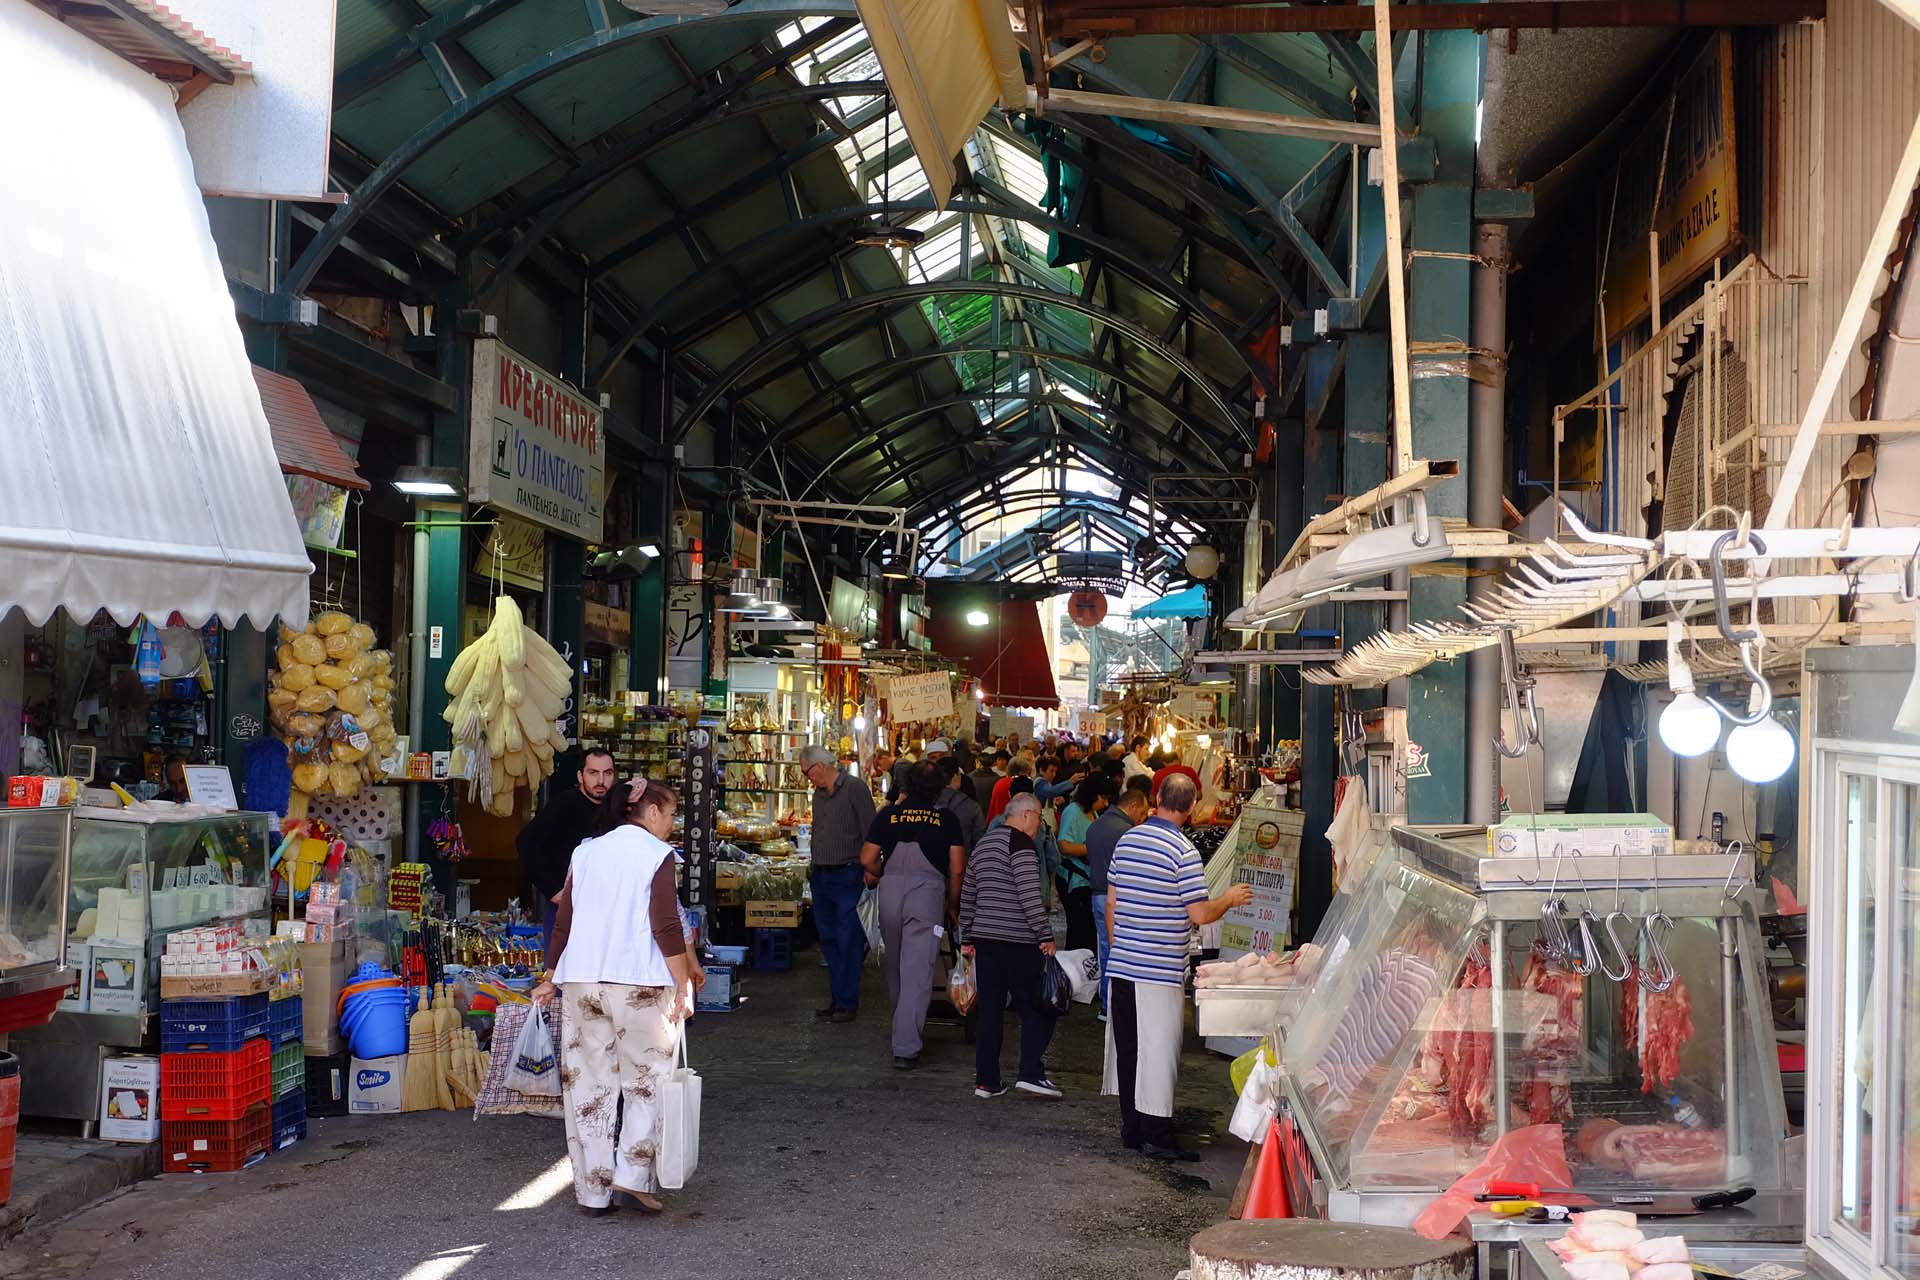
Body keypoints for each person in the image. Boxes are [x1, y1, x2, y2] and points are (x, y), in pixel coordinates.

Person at [531, 778, 704, 1215]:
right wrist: (682, 982)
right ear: (650, 812)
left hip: (583, 982)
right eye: (669, 814)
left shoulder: (586, 851)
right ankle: (632, 1178)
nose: (671, 823)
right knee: (647, 1083)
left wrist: (552, 974)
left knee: (589, 1088)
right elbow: (666, 924)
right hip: (640, 984)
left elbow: (563, 922)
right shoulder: (656, 855)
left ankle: (593, 1190)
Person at [1103, 773, 1251, 1161]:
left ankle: (1132, 1130)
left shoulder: (1128, 840)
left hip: (1122, 968)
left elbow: (1111, 905)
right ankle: (1157, 1136)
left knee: (1130, 1051)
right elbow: (1200, 914)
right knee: (1159, 1053)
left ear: (1156, 798)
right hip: (1159, 972)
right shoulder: (1183, 852)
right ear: (1189, 807)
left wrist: (1123, 948)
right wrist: (1229, 899)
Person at [860, 761, 965, 1070]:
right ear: (940, 787)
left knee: (896, 966)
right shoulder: (946, 819)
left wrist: (885, 873)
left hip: (890, 894)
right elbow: (957, 867)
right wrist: (953, 904)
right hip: (927, 896)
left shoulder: (889, 815)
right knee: (918, 972)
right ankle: (905, 1046)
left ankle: (901, 1028)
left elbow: (866, 858)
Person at [958, 792, 1060, 1099]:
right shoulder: (1021, 844)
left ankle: (987, 1081)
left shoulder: (983, 845)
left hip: (986, 941)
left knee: (990, 1011)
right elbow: (1030, 896)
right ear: (1026, 815)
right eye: (1039, 817)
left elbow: (968, 893)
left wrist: (967, 937)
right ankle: (1031, 1073)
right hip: (1017, 941)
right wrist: (1045, 935)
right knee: (1037, 1007)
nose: (1040, 825)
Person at [800, 745, 877, 1023]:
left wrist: (871, 868)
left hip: (848, 873)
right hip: (822, 874)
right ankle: (837, 996)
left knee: (848, 939)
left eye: (806, 772)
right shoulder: (818, 795)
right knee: (829, 939)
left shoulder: (855, 788)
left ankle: (847, 1000)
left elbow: (871, 830)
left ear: (819, 766)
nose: (807, 778)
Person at [515, 747, 617, 952]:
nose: (601, 781)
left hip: (606, 911)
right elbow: (527, 841)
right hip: (567, 908)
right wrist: (553, 889)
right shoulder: (564, 804)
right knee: (560, 976)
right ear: (580, 776)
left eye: (607, 773)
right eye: (593, 773)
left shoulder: (616, 808)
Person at [1086, 778, 1149, 1015]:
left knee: (1105, 950)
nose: (1141, 819)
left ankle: (1106, 1005)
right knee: (1122, 953)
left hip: (1097, 896)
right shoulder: (1127, 832)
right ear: (1132, 806)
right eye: (1141, 813)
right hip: (1118, 899)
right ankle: (1118, 1005)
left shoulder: (1095, 825)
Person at [1056, 775, 1110, 954]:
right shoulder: (1073, 811)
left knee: (1086, 930)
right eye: (1103, 798)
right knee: (1079, 930)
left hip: (1087, 879)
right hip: (1074, 880)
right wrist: (1091, 848)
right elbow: (1064, 845)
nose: (1105, 804)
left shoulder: (1092, 813)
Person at [937, 757, 985, 856]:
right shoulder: (971, 805)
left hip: (931, 863)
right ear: (956, 775)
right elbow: (979, 839)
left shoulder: (926, 801)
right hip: (963, 860)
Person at [987, 756, 1033, 821]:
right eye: (1027, 774)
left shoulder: (1000, 781)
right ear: (1020, 773)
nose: (1029, 777)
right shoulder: (1018, 785)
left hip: (994, 822)